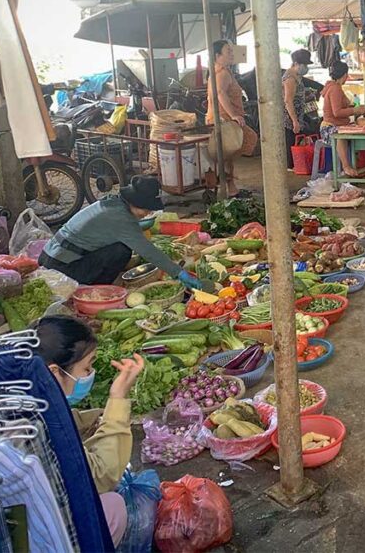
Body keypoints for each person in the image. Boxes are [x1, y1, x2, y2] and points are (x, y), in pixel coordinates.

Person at [35, 316, 145, 547]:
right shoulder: (42, 427)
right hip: (41, 533)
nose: (91, 373)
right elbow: (102, 474)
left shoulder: (22, 395)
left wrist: (96, 417)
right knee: (112, 506)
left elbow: (67, 421)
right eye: (87, 367)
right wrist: (118, 399)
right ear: (54, 372)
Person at [39, 175, 200, 288]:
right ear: (136, 202)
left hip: (51, 255)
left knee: (119, 247)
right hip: (60, 267)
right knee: (121, 252)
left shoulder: (114, 203)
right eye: (147, 209)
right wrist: (178, 273)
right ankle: (98, 288)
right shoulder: (120, 218)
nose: (148, 214)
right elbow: (148, 251)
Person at [207, 40, 258, 196]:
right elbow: (220, 94)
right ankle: (225, 180)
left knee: (229, 153)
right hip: (223, 119)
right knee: (248, 138)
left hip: (225, 118)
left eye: (231, 50)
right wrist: (233, 115)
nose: (231, 54)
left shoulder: (222, 71)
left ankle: (231, 187)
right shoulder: (221, 73)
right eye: (227, 51)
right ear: (217, 55)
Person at [321, 61, 365, 177]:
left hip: (339, 124)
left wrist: (353, 108)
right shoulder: (335, 88)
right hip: (329, 127)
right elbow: (337, 112)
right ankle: (346, 166)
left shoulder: (335, 87)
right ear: (345, 74)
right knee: (341, 136)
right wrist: (355, 110)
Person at [282, 49, 314, 169]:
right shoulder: (290, 78)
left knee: (296, 139)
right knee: (291, 142)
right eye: (304, 65)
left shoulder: (297, 76)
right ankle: (292, 167)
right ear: (296, 63)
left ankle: (296, 165)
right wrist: (294, 120)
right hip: (289, 116)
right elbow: (288, 100)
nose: (306, 67)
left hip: (297, 114)